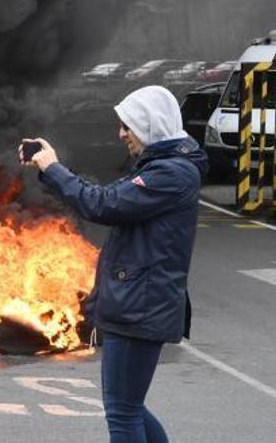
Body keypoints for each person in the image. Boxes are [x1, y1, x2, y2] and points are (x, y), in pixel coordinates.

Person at [19, 85, 208, 443]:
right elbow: (110, 199)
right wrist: (55, 168)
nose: (121, 134)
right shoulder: (163, 168)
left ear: (149, 125)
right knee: (130, 407)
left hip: (140, 307)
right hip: (140, 301)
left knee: (122, 413)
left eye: (127, 126)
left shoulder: (170, 174)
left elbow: (101, 205)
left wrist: (53, 169)